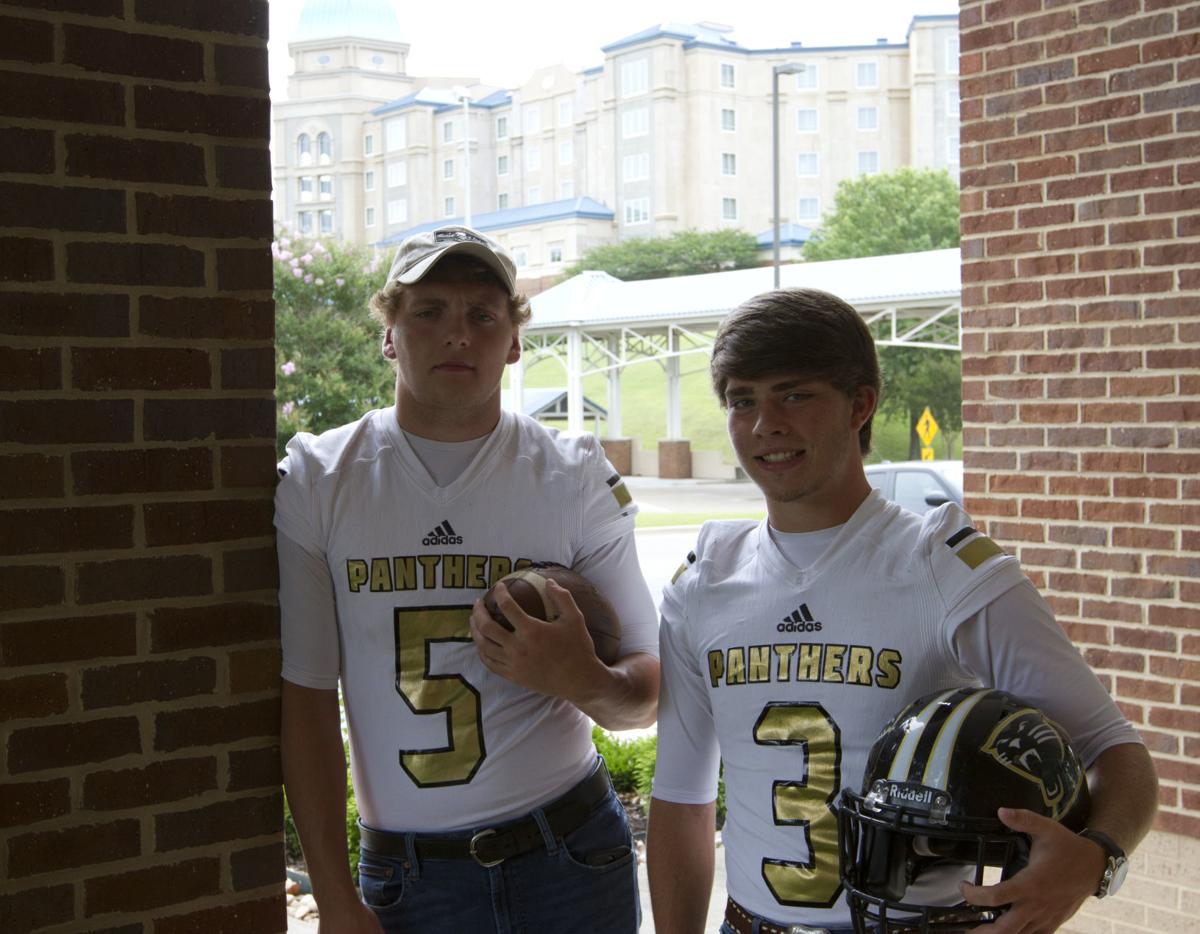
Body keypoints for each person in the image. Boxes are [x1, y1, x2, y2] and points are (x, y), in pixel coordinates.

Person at [646, 287, 1158, 934]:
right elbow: (680, 800)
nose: (763, 424)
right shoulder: (705, 581)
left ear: (860, 404)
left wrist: (1095, 861)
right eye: (741, 400)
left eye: (794, 394)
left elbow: (1115, 752)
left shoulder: (941, 568)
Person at [276, 225, 660, 933]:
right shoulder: (319, 479)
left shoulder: (573, 474)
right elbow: (304, 701)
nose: (458, 334)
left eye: (483, 314)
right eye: (430, 311)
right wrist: (333, 896)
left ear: (513, 341)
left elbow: (646, 695)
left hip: (571, 855)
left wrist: (585, 680)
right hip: (410, 875)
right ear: (389, 334)